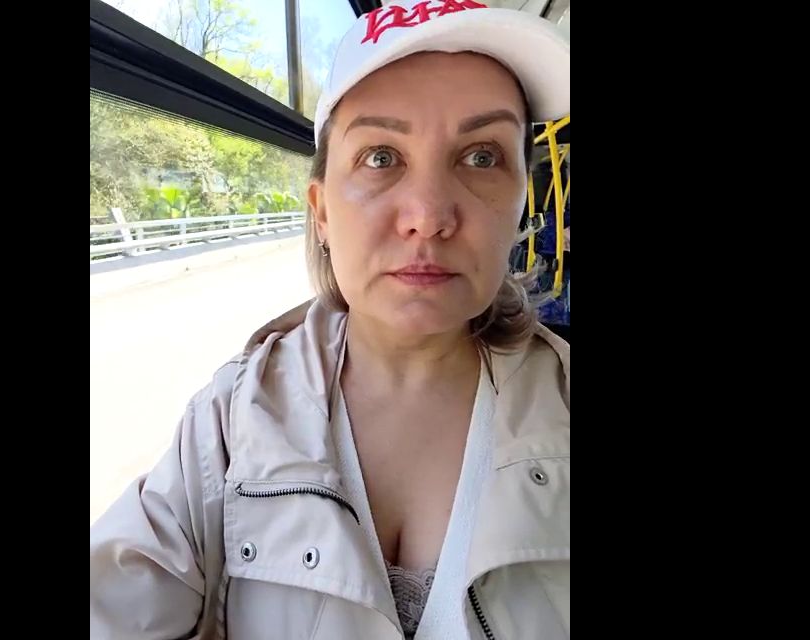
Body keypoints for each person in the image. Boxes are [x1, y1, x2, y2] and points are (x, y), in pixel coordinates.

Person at [90, 2, 569, 638]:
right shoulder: (230, 421)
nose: (428, 216)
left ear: (521, 202)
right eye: (381, 157)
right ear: (320, 211)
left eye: (481, 157)